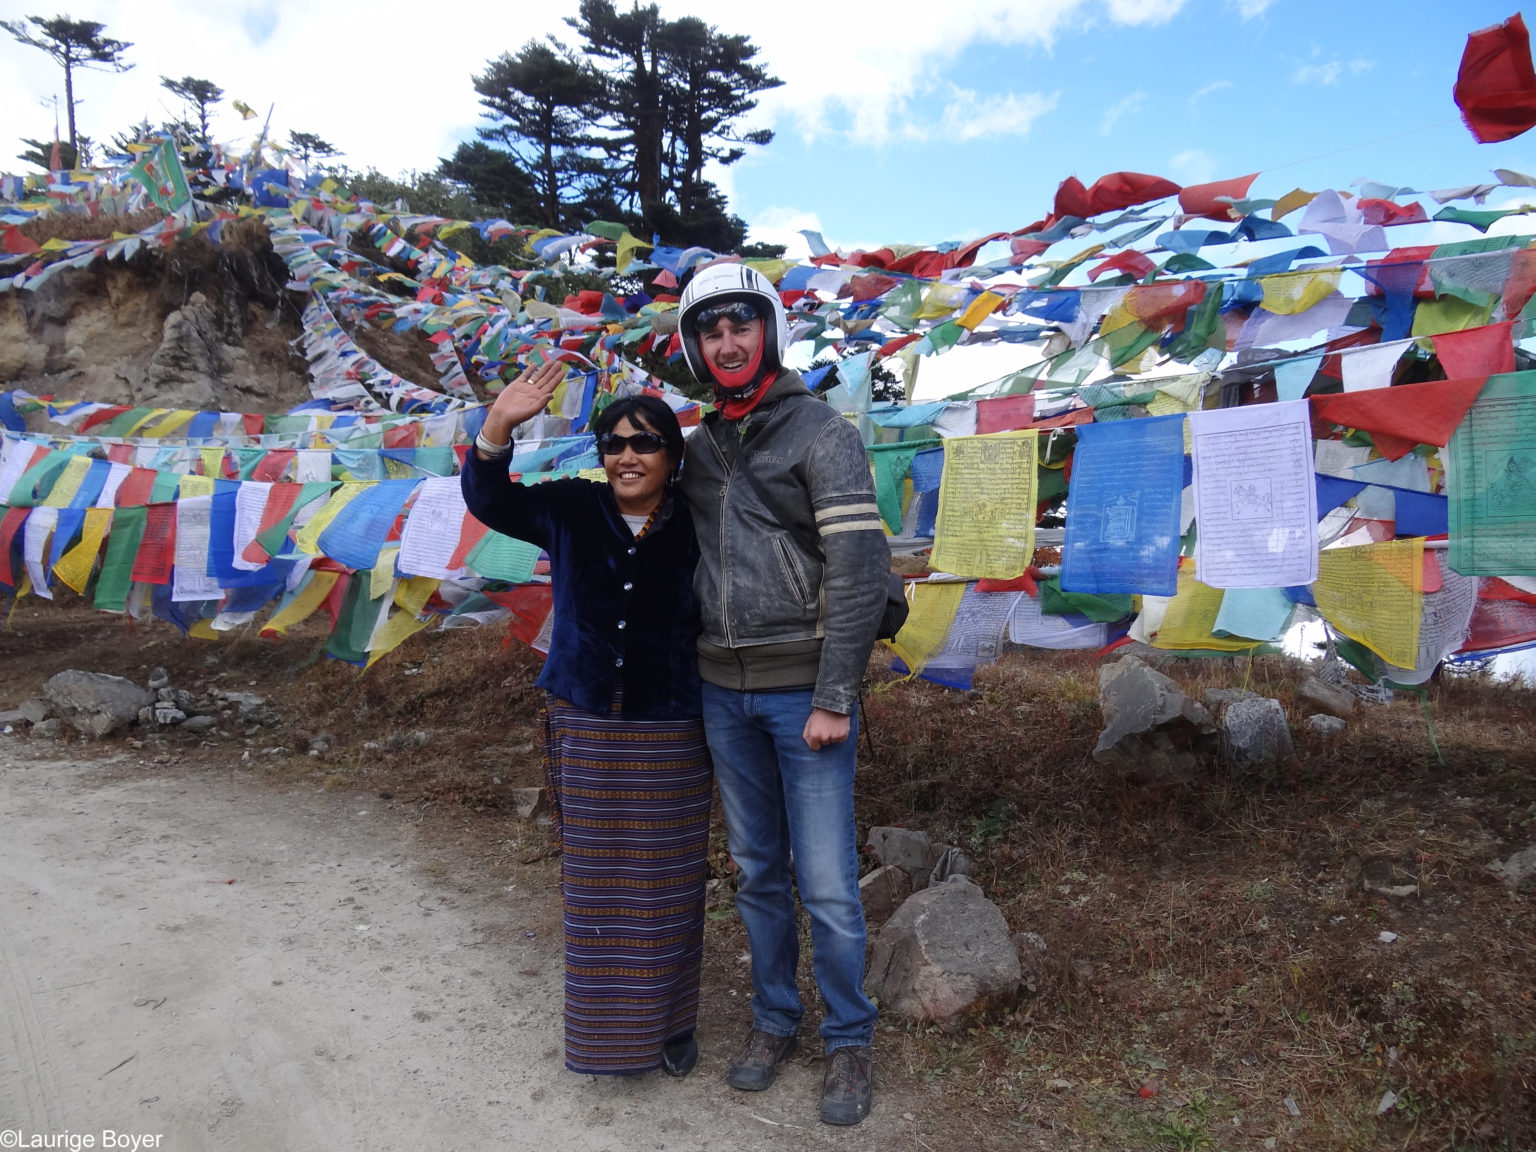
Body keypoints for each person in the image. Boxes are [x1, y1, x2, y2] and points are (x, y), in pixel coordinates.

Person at [675, 264, 888, 1126]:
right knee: (757, 871)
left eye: (741, 325)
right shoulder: (692, 451)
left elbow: (861, 568)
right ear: (695, 347)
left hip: (808, 694)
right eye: (711, 330)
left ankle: (849, 1040)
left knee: (829, 881)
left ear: (769, 331)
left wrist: (836, 692)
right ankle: (773, 1021)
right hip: (722, 695)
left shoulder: (821, 434)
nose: (728, 343)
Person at [461, 360, 710, 1079]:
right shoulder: (569, 507)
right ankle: (605, 1040)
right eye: (614, 442)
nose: (628, 455)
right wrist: (499, 426)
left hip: (672, 725)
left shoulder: (700, 519)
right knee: (600, 883)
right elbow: (490, 500)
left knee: (668, 881)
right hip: (588, 718)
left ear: (673, 455)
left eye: (646, 442)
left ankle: (671, 1025)